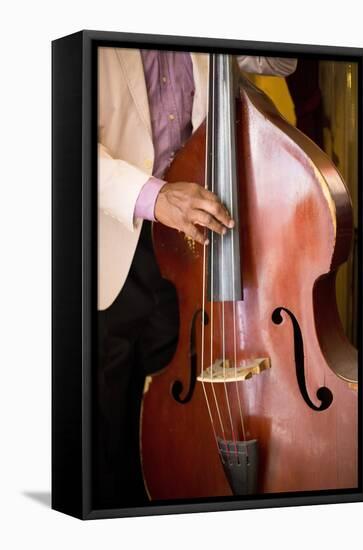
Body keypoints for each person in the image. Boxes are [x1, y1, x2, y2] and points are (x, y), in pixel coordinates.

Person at [95, 48, 297, 508]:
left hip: (192, 253)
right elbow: (58, 141)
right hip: (106, 243)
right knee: (101, 421)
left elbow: (282, 62)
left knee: (170, 409)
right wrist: (156, 196)